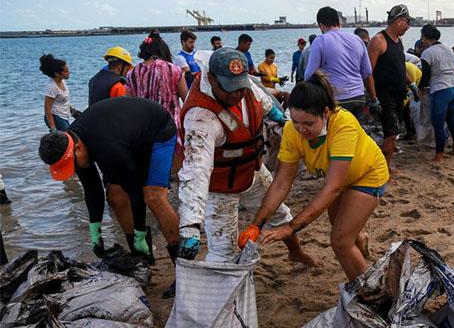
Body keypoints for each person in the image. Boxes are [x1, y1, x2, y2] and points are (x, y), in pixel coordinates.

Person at [242, 72, 388, 281]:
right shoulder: (293, 130)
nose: (301, 129)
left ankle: (370, 295)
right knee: (342, 226)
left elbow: (332, 188)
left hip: (366, 175)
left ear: (326, 113)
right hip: (338, 180)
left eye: (309, 124)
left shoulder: (343, 124)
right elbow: (281, 183)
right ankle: (360, 237)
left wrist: (290, 228)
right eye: (296, 122)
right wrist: (256, 226)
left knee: (340, 241)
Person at [177, 47, 314, 268]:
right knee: (224, 252)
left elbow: (264, 101)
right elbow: (195, 171)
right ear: (211, 79)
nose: (235, 94)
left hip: (253, 171)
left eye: (239, 88)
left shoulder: (243, 85)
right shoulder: (199, 118)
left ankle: (295, 251)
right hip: (220, 189)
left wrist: (279, 117)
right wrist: (190, 225)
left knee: (281, 213)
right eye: (229, 90)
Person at [37, 98, 180, 269]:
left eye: (73, 165)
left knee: (153, 196)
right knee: (115, 196)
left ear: (78, 148)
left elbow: (135, 192)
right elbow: (92, 190)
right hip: (127, 137)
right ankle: (142, 257)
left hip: (158, 130)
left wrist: (140, 233)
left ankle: (182, 262)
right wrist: (95, 231)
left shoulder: (108, 149)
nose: (74, 169)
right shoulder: (72, 143)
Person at [126, 32, 188, 170]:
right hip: (170, 126)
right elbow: (186, 99)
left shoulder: (132, 72)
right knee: (176, 173)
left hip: (143, 129)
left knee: (148, 172)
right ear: (162, 50)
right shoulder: (174, 70)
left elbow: (128, 102)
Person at [305, 7, 377, 122]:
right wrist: (373, 98)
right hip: (359, 97)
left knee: (336, 135)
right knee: (354, 133)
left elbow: (309, 75)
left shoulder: (321, 40)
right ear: (338, 22)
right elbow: (367, 72)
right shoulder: (357, 39)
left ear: (321, 25)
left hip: (337, 100)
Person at [368, 4, 411, 171]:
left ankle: (386, 166)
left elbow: (400, 67)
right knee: (390, 132)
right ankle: (383, 170)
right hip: (384, 95)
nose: (408, 27)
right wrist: (373, 98)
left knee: (394, 133)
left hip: (399, 95)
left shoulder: (398, 41)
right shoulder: (378, 40)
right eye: (407, 22)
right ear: (398, 21)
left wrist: (411, 83)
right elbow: (368, 72)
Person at [419, 24, 454, 161]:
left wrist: (420, 89)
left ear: (425, 38)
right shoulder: (448, 49)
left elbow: (425, 76)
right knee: (450, 118)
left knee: (437, 123)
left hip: (441, 89)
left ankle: (439, 155)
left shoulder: (427, 53)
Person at [40, 54, 76, 131]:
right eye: (66, 71)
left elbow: (62, 101)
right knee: (67, 139)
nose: (69, 72)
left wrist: (73, 111)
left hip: (64, 115)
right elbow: (47, 109)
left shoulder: (62, 81)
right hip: (56, 117)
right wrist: (53, 128)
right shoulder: (52, 87)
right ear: (57, 74)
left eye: (68, 70)